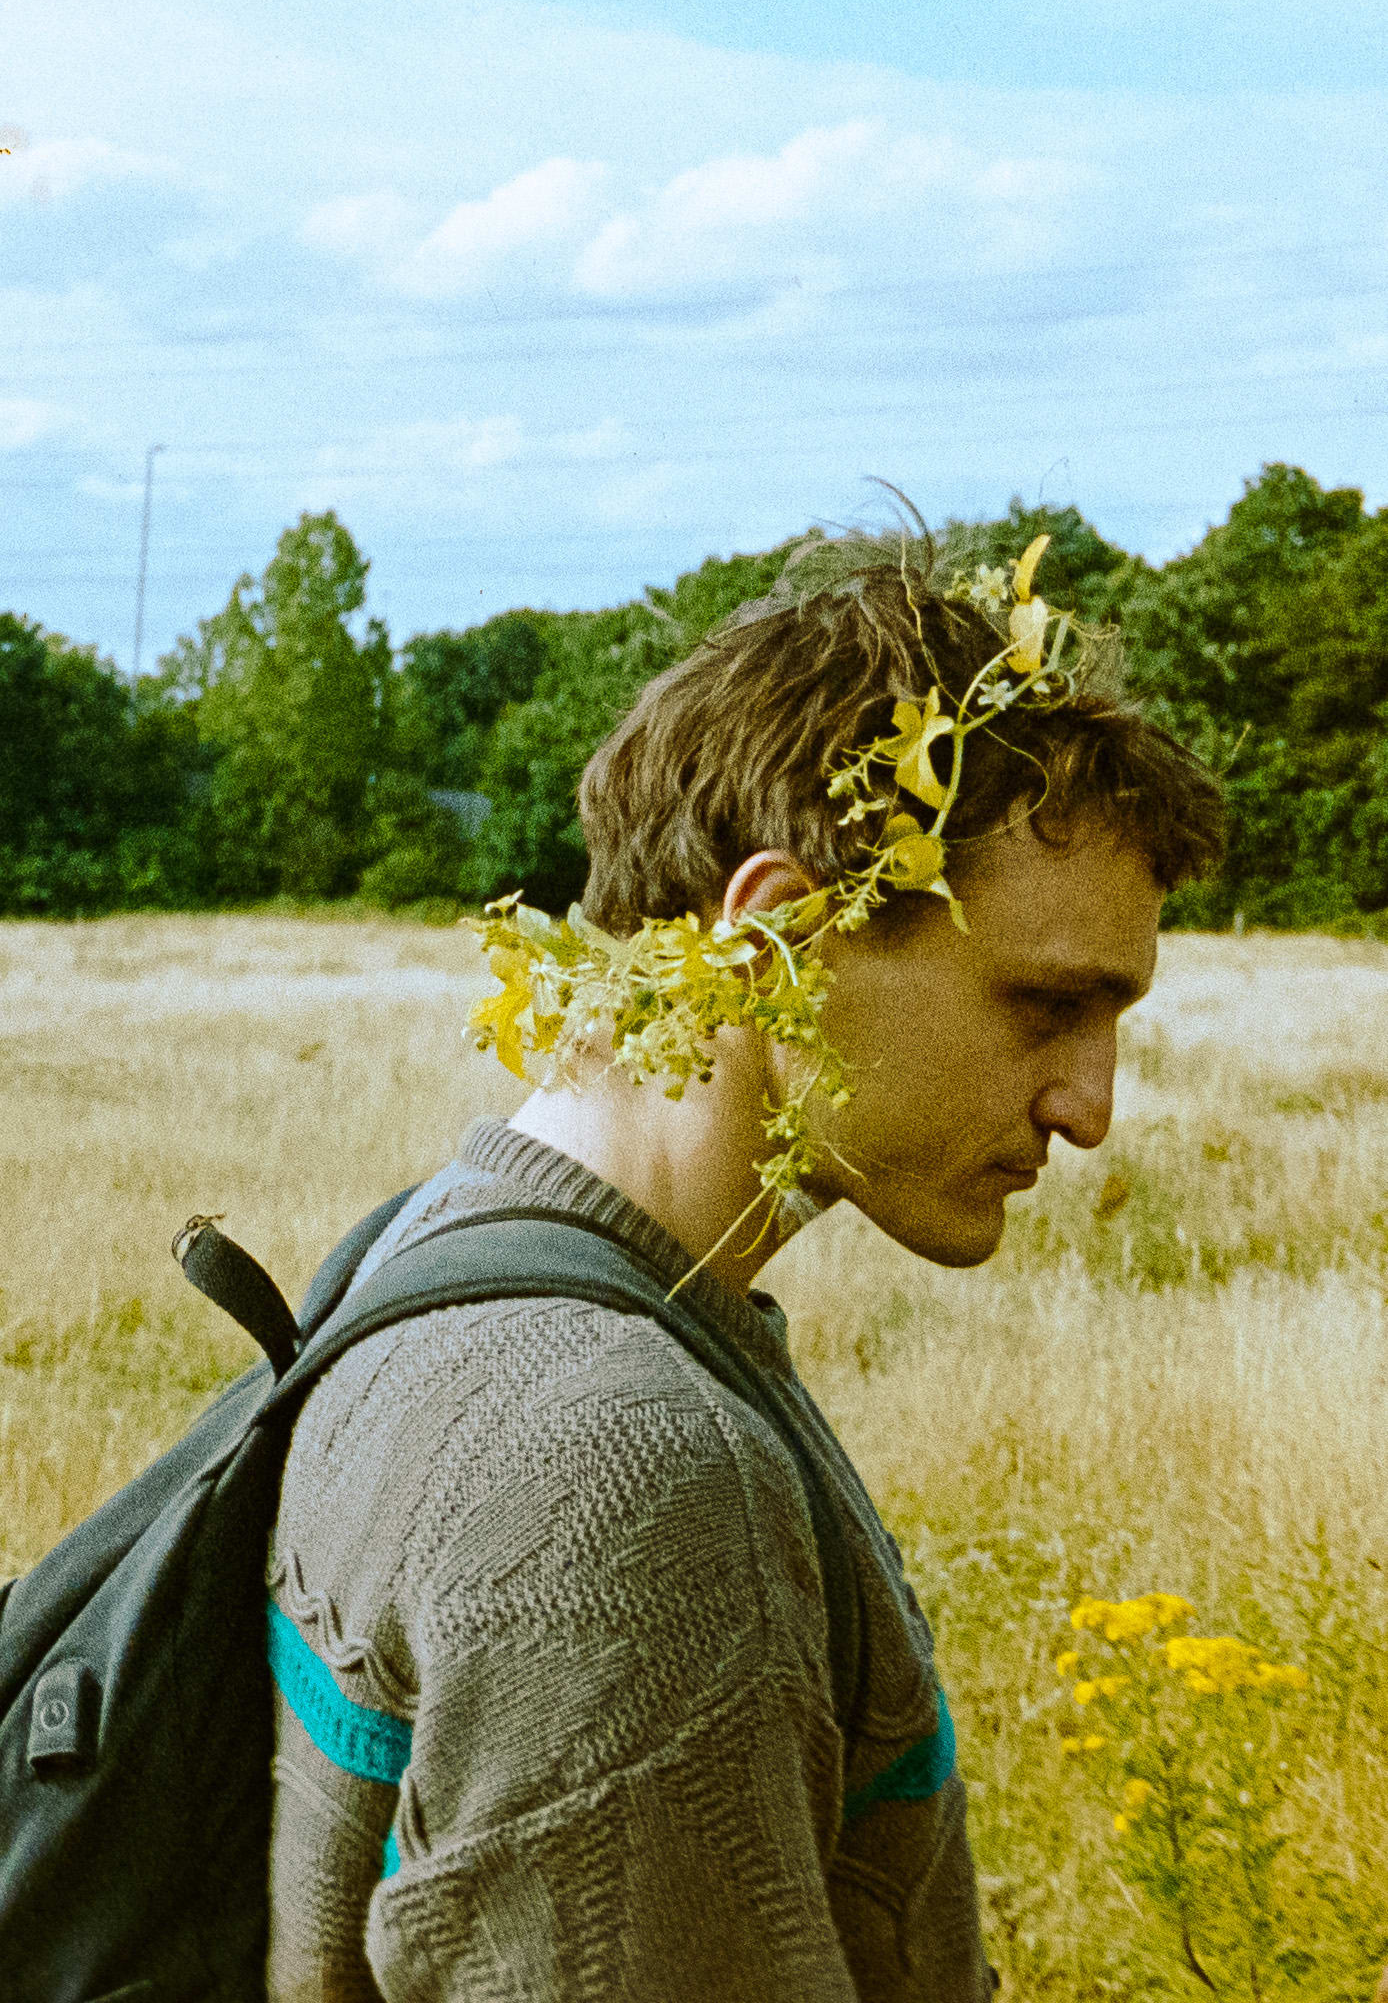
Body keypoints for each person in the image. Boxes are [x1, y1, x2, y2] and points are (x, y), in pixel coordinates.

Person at [265, 538, 1225, 2000]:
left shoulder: (435, 1255)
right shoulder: (621, 1470)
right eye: (1044, 1005)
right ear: (777, 936)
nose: (1089, 1108)